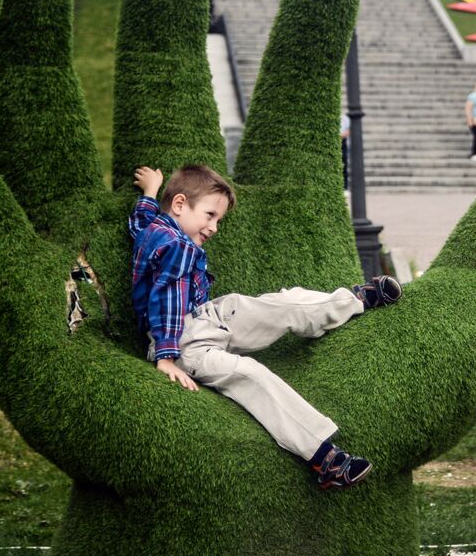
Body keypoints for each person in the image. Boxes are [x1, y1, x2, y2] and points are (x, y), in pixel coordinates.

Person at [129, 164, 403, 491]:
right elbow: (166, 297)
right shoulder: (178, 246)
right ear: (179, 205)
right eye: (210, 215)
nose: (214, 227)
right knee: (250, 374)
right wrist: (166, 356)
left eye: (218, 220)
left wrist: (149, 192)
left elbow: (139, 222)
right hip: (186, 342)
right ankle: (324, 457)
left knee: (276, 305)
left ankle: (356, 300)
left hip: (207, 317)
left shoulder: (155, 229)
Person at [340, 113, 351, 189]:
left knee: (344, 165)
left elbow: (348, 130)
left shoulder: (344, 118)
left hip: (343, 142)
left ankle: (345, 188)